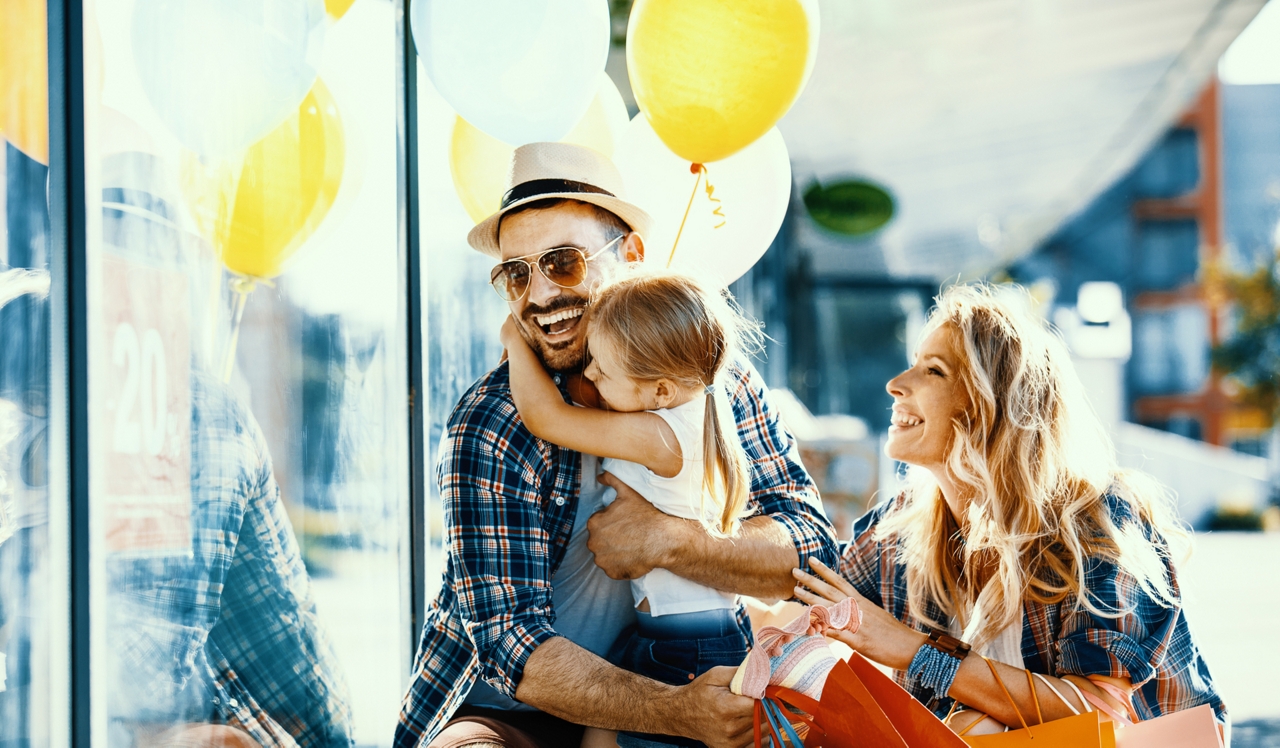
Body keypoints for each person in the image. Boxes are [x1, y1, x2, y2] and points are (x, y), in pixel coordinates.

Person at [394, 143, 839, 748]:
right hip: (511, 711)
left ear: (630, 253)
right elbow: (510, 646)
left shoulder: (712, 384)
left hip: (670, 664)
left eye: (564, 263)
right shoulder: (492, 420)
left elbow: (813, 553)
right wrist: (676, 712)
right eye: (517, 274)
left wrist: (671, 539)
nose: (540, 294)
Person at [792, 283, 1227, 736]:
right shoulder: (902, 528)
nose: (896, 384)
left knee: (971, 726)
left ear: (989, 406)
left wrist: (916, 651)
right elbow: (808, 604)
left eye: (933, 371)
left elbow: (1103, 717)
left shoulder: (1095, 521)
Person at [499, 270, 763, 748]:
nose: (590, 375)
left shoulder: (660, 435)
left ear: (660, 391)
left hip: (686, 648)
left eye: (601, 366)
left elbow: (546, 417)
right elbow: (593, 395)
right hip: (678, 636)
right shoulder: (687, 411)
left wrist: (514, 343)